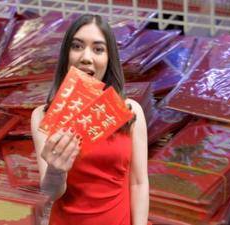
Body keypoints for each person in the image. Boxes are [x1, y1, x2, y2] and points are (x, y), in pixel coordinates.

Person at [31, 14, 149, 225]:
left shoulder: (131, 112)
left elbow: (139, 184)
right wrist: (56, 170)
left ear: (109, 58)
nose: (86, 57)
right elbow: (50, 193)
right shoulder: (42, 115)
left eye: (98, 49)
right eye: (77, 46)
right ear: (66, 54)